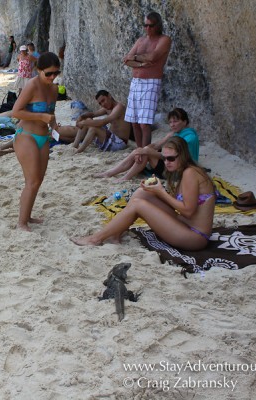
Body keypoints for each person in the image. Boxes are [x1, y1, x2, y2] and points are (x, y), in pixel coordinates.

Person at [72, 136, 215, 250]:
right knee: (142, 193)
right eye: (164, 158)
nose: (167, 162)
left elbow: (188, 211)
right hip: (184, 224)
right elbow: (179, 205)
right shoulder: (184, 171)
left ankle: (95, 239)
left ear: (182, 156)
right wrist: (154, 191)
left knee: (138, 204)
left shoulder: (190, 173)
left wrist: (160, 192)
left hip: (195, 237)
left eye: (171, 158)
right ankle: (115, 234)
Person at [12, 52, 61, 231]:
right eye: (48, 73)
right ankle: (21, 223)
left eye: (56, 73)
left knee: (37, 180)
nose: (52, 77)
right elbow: (15, 111)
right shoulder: (32, 86)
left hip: (43, 137)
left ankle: (27, 216)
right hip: (26, 135)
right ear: (38, 70)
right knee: (32, 181)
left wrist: (54, 126)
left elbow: (52, 114)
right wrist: (41, 115)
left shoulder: (54, 89)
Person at [96, 108, 199, 181]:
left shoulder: (190, 137)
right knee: (140, 151)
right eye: (170, 122)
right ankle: (110, 173)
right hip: (171, 164)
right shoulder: (174, 134)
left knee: (145, 153)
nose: (172, 125)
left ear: (185, 122)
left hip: (179, 171)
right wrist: (143, 150)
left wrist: (146, 151)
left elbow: (174, 158)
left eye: (175, 121)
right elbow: (156, 145)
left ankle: (124, 177)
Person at [122, 11, 171, 148]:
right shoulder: (141, 40)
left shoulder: (164, 40)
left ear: (158, 25)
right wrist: (142, 63)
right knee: (134, 122)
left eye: (151, 26)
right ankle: (139, 152)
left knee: (144, 123)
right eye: (145, 25)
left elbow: (153, 57)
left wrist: (136, 57)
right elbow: (127, 60)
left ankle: (145, 154)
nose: (147, 29)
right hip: (136, 82)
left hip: (151, 82)